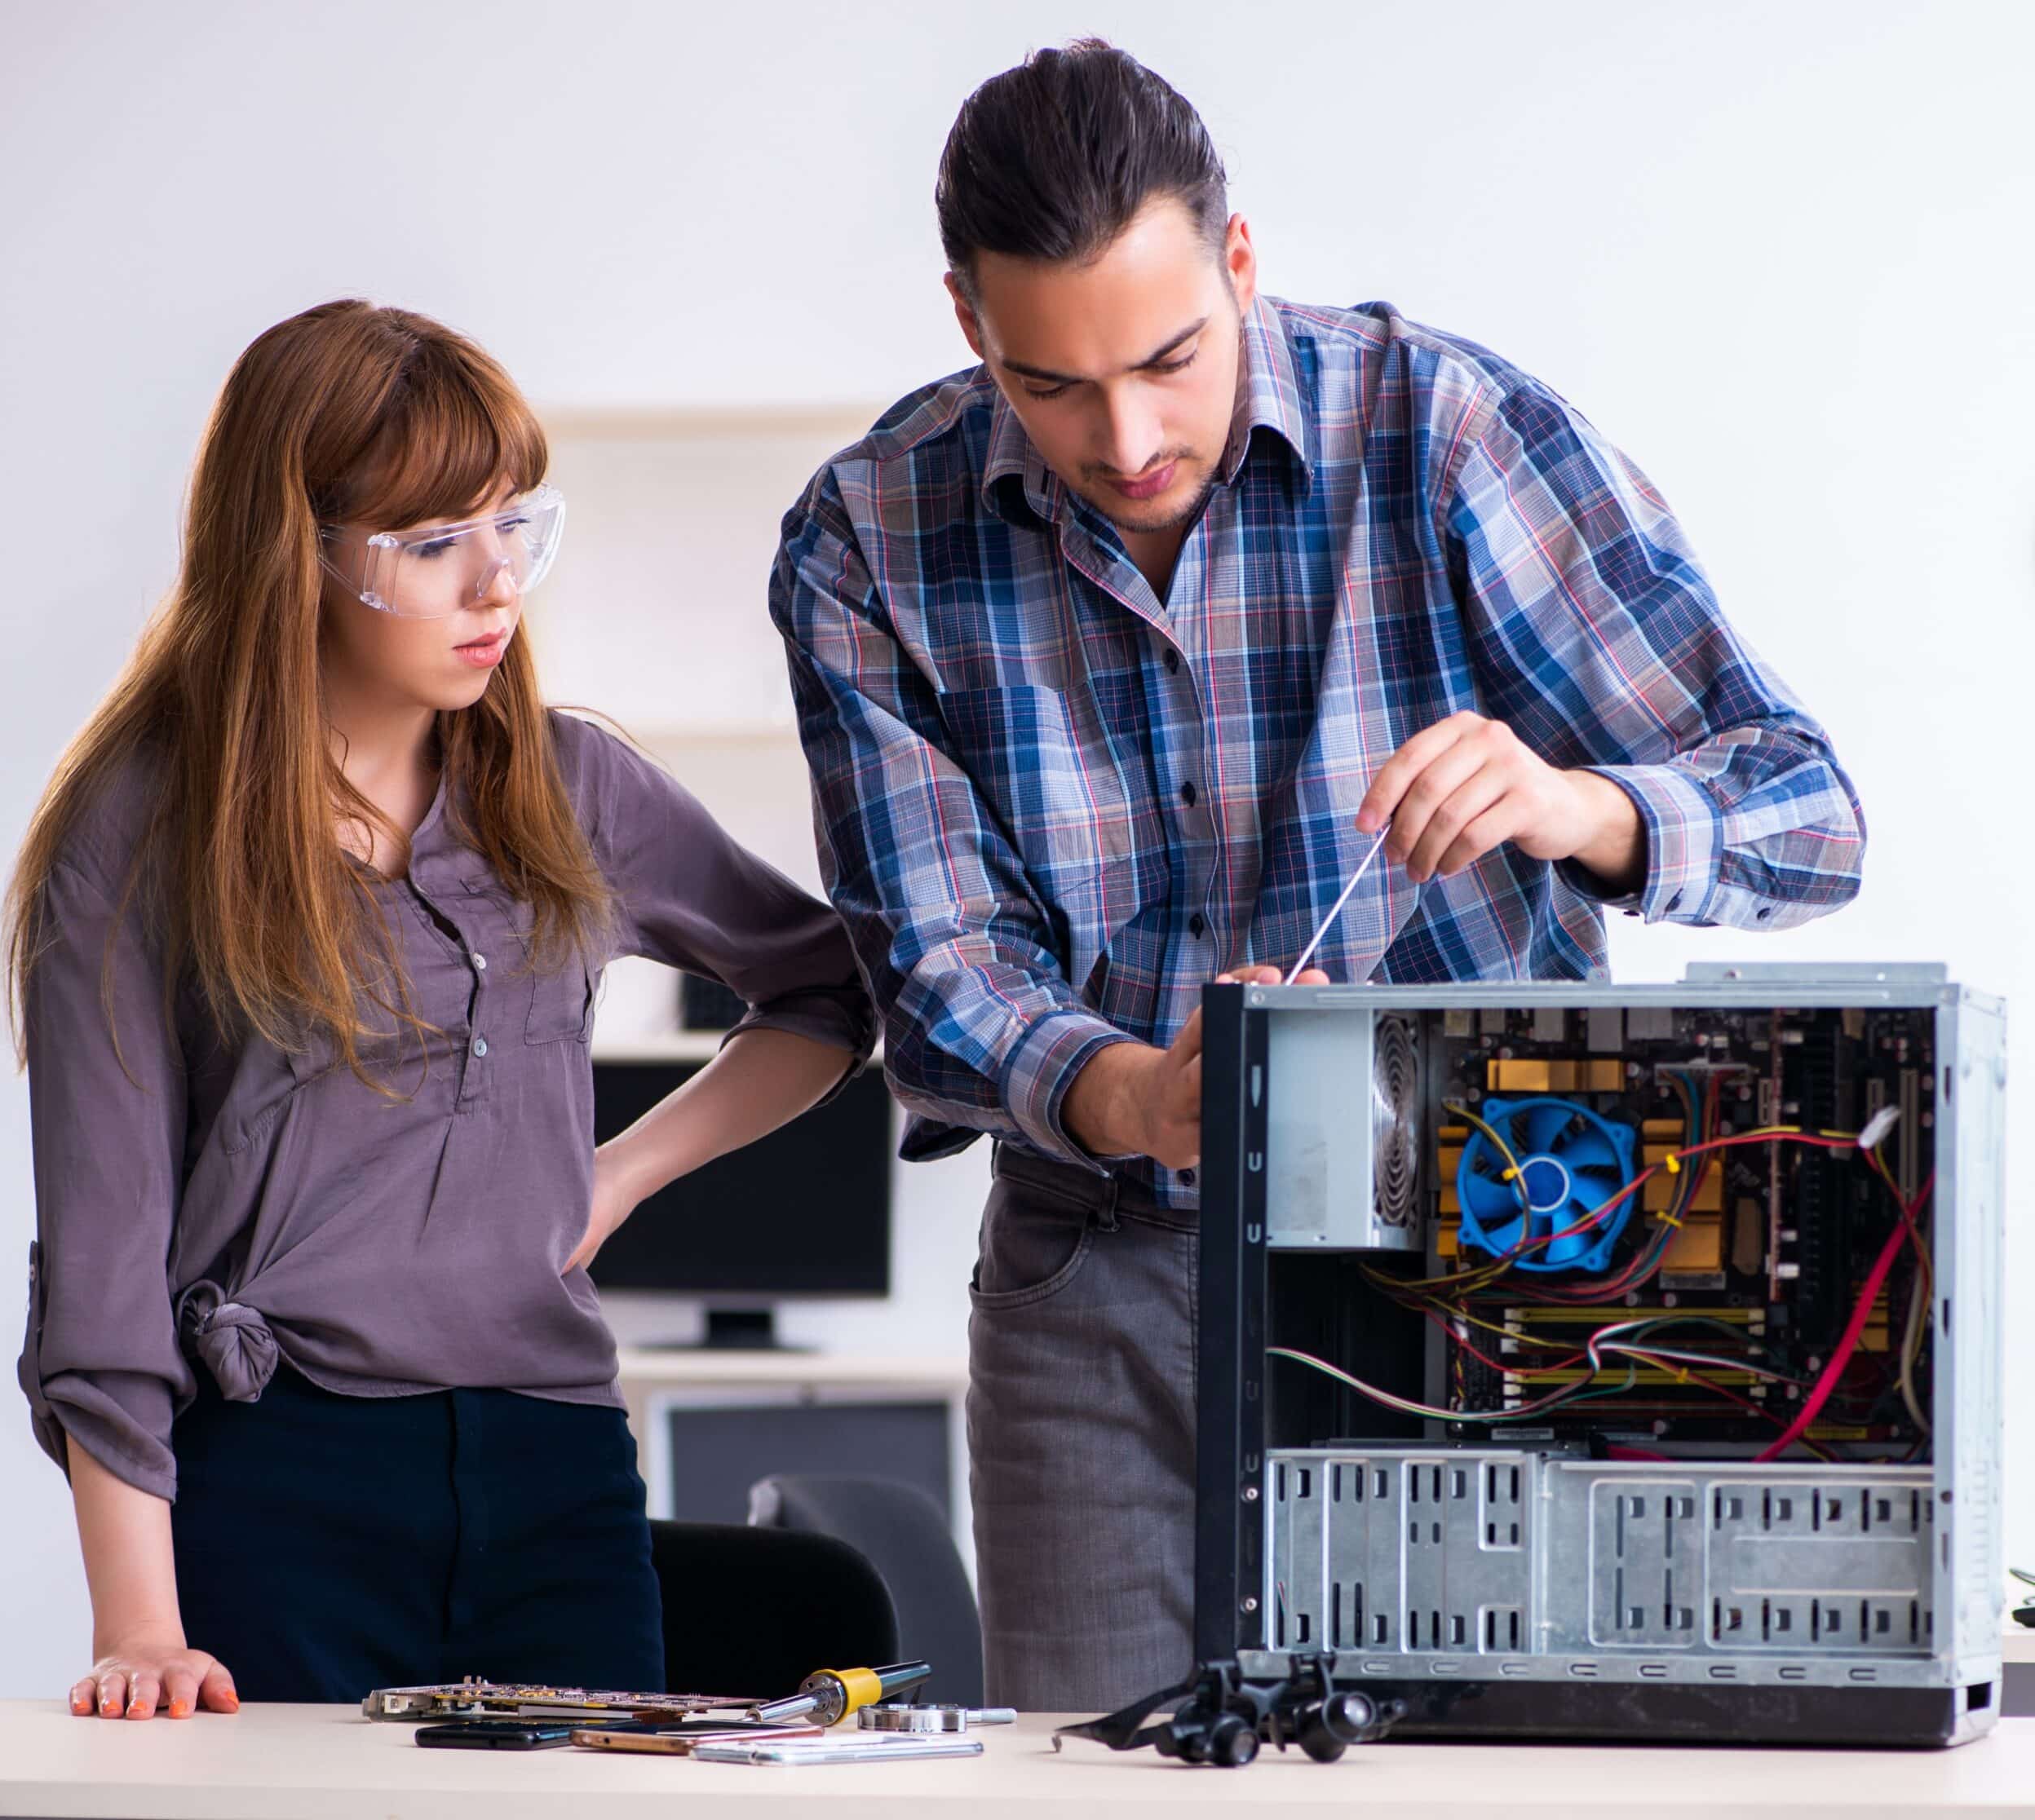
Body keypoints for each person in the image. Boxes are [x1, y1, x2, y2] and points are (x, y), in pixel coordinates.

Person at [768, 41, 1865, 1711]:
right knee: (1101, 1785)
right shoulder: (865, 537)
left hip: (1499, 1250)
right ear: (966, 321)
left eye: (1166, 358)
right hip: (1098, 1273)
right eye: (1049, 384)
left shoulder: (1445, 432)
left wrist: (1577, 805)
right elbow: (932, 958)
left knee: (1493, 1778)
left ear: (1240, 261)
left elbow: (1806, 815)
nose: (1124, 436)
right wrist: (1134, 1095)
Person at [4, 300, 873, 1719]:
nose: (497, 585)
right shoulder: (144, 828)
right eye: (432, 543)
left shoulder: (574, 784)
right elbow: (103, 1271)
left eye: (514, 524)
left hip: (559, 1468)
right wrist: (140, 1624)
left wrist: (617, 1176)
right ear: (299, 554)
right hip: (282, 1478)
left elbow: (829, 988)